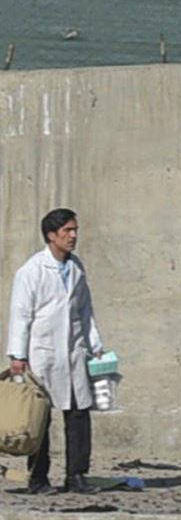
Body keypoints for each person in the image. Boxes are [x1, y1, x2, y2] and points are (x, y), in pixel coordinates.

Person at [7, 209, 105, 495]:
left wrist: (95, 344)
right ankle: (38, 478)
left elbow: (85, 309)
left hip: (72, 351)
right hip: (43, 353)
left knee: (78, 414)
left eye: (75, 230)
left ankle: (76, 476)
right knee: (39, 417)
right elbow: (21, 313)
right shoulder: (32, 270)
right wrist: (17, 355)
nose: (74, 236)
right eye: (67, 231)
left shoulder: (75, 267)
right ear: (52, 235)